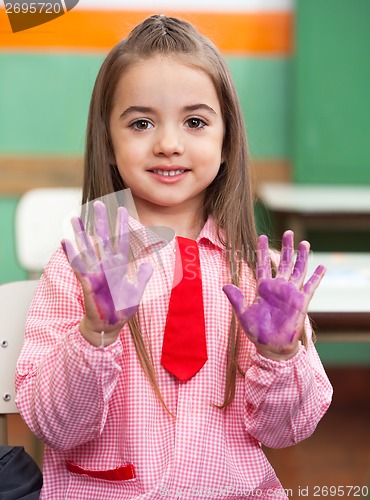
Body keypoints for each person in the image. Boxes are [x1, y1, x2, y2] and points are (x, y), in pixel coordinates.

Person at [15, 15, 333, 500]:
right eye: (141, 122)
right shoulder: (84, 266)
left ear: (227, 140)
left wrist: (282, 355)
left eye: (195, 121)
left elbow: (285, 432)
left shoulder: (253, 273)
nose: (168, 143)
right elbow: (56, 427)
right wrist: (95, 332)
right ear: (109, 141)